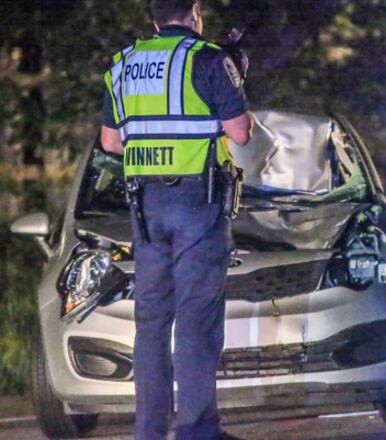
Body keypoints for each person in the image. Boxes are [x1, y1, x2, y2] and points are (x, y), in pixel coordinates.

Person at [100, 0, 252, 438]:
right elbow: (240, 133)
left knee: (150, 321)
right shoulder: (207, 59)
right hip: (196, 203)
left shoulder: (123, 65)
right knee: (196, 318)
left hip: (145, 206)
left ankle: (149, 432)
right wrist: (236, 80)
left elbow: (110, 142)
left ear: (153, 17)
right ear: (195, 11)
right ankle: (197, 430)